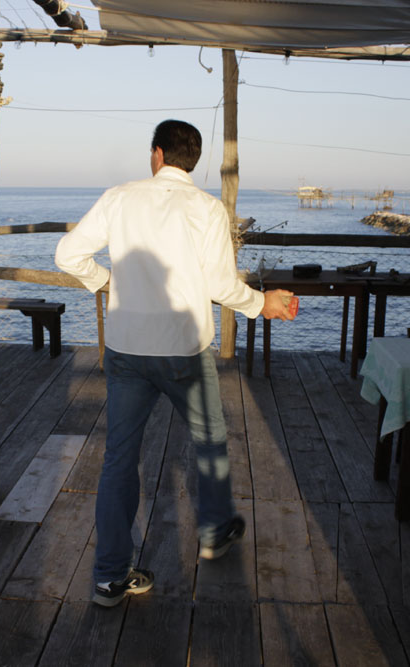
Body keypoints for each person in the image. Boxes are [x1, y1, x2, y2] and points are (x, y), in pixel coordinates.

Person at [55, 119, 295, 608]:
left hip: (126, 350)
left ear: (157, 154)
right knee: (210, 443)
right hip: (184, 351)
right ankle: (212, 533)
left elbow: (67, 255)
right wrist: (261, 303)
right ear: (192, 160)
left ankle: (108, 577)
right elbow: (220, 286)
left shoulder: (119, 197)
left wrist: (107, 283)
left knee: (120, 458)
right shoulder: (207, 209)